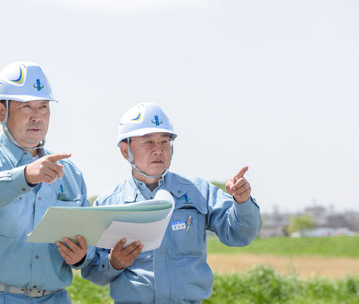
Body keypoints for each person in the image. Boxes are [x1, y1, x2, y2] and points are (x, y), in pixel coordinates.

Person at [81, 102, 262, 303]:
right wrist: (113, 263)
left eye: (164, 142)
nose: (159, 150)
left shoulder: (198, 192)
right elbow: (92, 272)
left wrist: (242, 201)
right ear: (125, 151)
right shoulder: (109, 204)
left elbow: (240, 235)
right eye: (148, 142)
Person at [0, 61, 94, 303]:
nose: (37, 116)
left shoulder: (69, 173)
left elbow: (90, 243)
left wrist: (81, 256)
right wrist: (25, 176)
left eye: (43, 107)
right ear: (1, 112)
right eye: (26, 106)